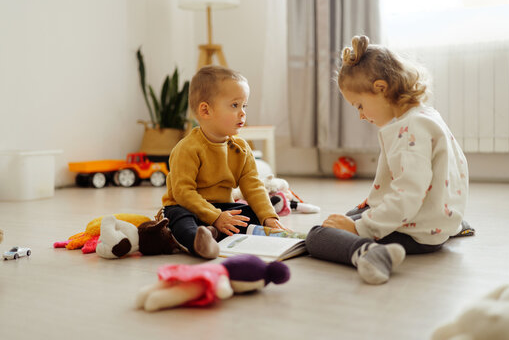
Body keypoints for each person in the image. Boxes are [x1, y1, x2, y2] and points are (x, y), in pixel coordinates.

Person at [305, 35, 469, 285]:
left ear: (380, 88)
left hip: (417, 234)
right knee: (351, 215)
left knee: (318, 235)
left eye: (359, 105)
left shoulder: (411, 128)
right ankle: (448, 224)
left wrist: (361, 229)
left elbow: (409, 195)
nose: (360, 115)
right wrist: (371, 205)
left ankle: (373, 254)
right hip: (437, 221)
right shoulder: (425, 115)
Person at [161, 65, 286, 259]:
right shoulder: (187, 148)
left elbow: (253, 185)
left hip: (223, 207)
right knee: (179, 218)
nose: (243, 113)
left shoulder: (241, 148)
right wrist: (215, 216)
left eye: (244, 106)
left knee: (249, 213)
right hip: (189, 207)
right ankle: (199, 242)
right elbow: (183, 193)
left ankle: (216, 232)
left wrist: (268, 217)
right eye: (235, 105)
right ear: (205, 110)